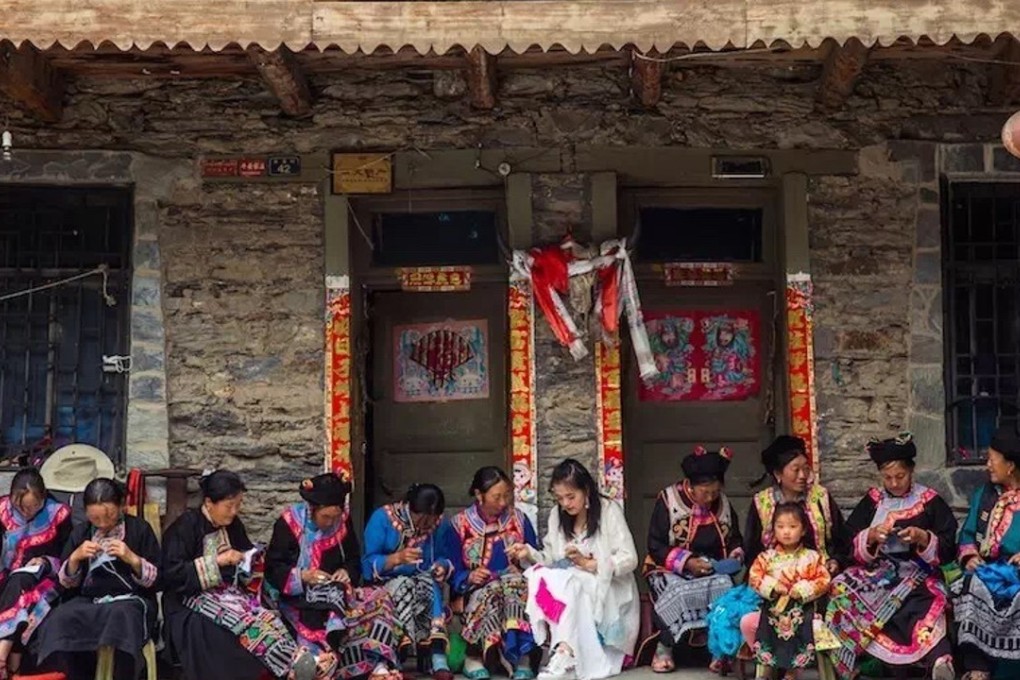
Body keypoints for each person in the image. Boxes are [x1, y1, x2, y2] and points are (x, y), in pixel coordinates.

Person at [825, 433, 957, 680]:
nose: (894, 483)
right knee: (841, 590)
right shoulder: (873, 502)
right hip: (878, 575)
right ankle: (855, 663)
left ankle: (940, 660)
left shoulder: (929, 501)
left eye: (900, 476)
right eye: (888, 478)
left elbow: (948, 548)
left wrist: (922, 538)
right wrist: (872, 536)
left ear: (912, 471)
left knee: (924, 604)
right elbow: (847, 541)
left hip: (919, 575)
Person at [162, 470, 316, 680]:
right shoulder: (186, 526)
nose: (234, 511)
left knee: (265, 617)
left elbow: (246, 558)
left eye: (238, 504)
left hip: (228, 594)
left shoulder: (233, 525)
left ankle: (294, 662)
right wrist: (217, 561)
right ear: (209, 503)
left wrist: (251, 560)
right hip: (190, 599)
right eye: (229, 506)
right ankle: (288, 667)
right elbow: (171, 575)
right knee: (238, 624)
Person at [509, 459, 639, 680]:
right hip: (573, 583)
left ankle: (565, 653)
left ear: (586, 490)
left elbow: (630, 558)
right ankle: (565, 651)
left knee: (572, 582)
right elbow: (550, 559)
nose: (565, 504)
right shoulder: (556, 516)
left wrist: (591, 564)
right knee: (552, 577)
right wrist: (529, 553)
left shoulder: (608, 511)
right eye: (560, 499)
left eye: (571, 497)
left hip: (609, 587)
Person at [266, 473, 405, 680]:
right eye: (325, 517)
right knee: (333, 599)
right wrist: (303, 576)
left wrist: (346, 572)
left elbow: (352, 557)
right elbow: (273, 568)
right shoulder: (288, 523)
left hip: (337, 592)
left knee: (380, 599)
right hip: (299, 596)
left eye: (335, 517)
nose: (330, 522)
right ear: (312, 510)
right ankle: (320, 659)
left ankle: (376, 664)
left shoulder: (342, 522)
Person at [34, 478, 160, 680]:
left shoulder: (139, 529)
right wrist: (75, 558)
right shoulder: (82, 532)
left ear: (121, 506)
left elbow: (157, 579)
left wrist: (132, 558)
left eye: (109, 515)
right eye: (95, 518)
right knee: (60, 618)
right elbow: (65, 583)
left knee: (122, 617)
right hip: (89, 600)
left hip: (129, 599)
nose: (103, 524)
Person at [643, 446, 743, 675]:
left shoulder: (723, 503)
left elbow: (735, 538)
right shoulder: (668, 500)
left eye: (715, 493)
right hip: (667, 567)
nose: (710, 499)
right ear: (690, 485)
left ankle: (719, 651)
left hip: (710, 568)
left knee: (725, 586)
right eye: (705, 493)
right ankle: (664, 647)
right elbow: (655, 544)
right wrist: (687, 562)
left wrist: (734, 556)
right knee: (676, 590)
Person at [446, 466, 539, 680]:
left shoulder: (520, 520)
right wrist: (467, 577)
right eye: (497, 497)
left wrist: (523, 563)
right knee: (493, 590)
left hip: (515, 586)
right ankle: (475, 656)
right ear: (479, 495)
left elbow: (535, 557)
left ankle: (522, 658)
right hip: (475, 591)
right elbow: (450, 568)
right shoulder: (459, 525)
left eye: (507, 495)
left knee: (513, 586)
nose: (503, 503)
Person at [362, 483, 454, 680]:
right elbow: (368, 564)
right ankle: (396, 656)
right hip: (389, 581)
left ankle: (438, 658)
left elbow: (445, 556)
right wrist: (396, 559)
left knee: (428, 584)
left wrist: (441, 566)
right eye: (421, 520)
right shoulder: (383, 519)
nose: (425, 526)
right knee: (404, 585)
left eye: (431, 521)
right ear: (409, 507)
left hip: (423, 579)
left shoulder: (439, 524)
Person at [953, 423, 1020, 680]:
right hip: (989, 570)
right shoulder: (985, 496)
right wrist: (969, 556)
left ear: (1010, 465)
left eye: (992, 460)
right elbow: (968, 534)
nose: (987, 466)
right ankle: (977, 668)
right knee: (969, 584)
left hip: (1016, 573)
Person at [0, 468, 72, 678]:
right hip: (6, 574)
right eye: (20, 507)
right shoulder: (2, 510)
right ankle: (13, 662)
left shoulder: (58, 515)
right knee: (14, 585)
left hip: (45, 579)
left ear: (43, 498)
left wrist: (45, 562)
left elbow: (67, 557)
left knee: (21, 583)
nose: (26, 513)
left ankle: (2, 656)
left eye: (32, 507)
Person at [746, 502, 831, 679]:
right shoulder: (766, 557)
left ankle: (793, 671)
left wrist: (802, 589)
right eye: (780, 526)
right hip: (772, 609)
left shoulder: (813, 557)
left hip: (803, 609)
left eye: (792, 526)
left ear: (804, 530)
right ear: (774, 529)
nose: (786, 531)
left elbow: (823, 580)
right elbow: (754, 577)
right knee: (756, 622)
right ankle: (768, 667)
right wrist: (773, 586)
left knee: (799, 623)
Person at [744, 436, 850, 572]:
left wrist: (836, 561)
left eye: (805, 469)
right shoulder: (762, 502)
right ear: (778, 473)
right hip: (774, 576)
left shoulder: (820, 497)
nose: (802, 475)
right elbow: (751, 549)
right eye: (795, 470)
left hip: (818, 573)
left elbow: (842, 540)